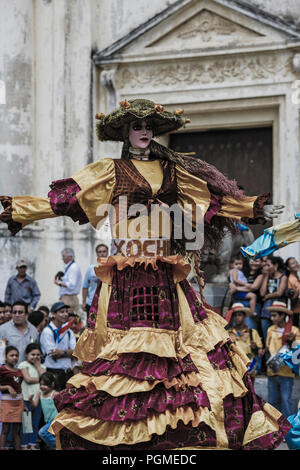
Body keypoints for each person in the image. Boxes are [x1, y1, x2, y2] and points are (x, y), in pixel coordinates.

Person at [0, 98, 290, 450]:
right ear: (125, 131)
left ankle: (184, 434)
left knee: (188, 356)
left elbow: (211, 200)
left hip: (167, 277)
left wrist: (253, 207)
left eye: (148, 126)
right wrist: (19, 210)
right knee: (126, 362)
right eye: (136, 126)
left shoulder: (173, 171)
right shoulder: (110, 170)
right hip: (127, 280)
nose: (143, 132)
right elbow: (66, 200)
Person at [266, 300, 300, 419]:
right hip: (272, 371)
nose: (271, 318)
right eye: (271, 315)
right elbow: (268, 347)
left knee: (286, 401)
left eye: (274, 315)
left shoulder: (294, 330)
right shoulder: (270, 329)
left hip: (286, 372)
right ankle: (274, 430)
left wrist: (293, 340)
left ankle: (287, 431)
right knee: (272, 401)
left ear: (282, 316)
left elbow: (297, 352)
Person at [39, 302, 76, 391]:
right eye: (62, 312)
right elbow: (53, 354)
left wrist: (62, 352)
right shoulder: (48, 331)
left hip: (67, 373)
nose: (65, 314)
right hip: (53, 373)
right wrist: (68, 352)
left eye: (66, 312)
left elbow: (76, 352)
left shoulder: (68, 331)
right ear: (53, 314)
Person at [226, 302, 264, 383]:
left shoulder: (252, 332)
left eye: (239, 315)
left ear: (244, 316)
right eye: (235, 315)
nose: (237, 318)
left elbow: (260, 352)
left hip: (249, 370)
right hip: (235, 370)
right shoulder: (227, 333)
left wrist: (255, 348)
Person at [18, 343, 46, 450]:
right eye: (32, 354)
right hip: (26, 399)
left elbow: (46, 380)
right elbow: (28, 379)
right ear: (26, 354)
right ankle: (24, 445)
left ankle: (32, 444)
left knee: (35, 423)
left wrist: (38, 366)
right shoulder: (23, 365)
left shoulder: (42, 367)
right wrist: (42, 379)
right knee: (27, 424)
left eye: (38, 355)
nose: (35, 357)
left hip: (38, 399)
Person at [0, 346, 26, 450]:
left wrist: (24, 404)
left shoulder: (20, 371)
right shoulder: (2, 369)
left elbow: (20, 389)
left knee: (17, 430)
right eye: (11, 355)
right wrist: (7, 387)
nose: (14, 357)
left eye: (16, 355)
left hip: (19, 402)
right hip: (7, 402)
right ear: (5, 357)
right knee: (5, 429)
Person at [0, 301, 39, 365]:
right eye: (14, 312)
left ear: (26, 315)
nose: (17, 315)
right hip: (10, 371)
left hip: (29, 370)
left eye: (20, 312)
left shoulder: (33, 330)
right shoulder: (3, 329)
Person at [260, 256, 288, 344]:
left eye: (268, 265)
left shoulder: (283, 277)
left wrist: (268, 296)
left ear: (275, 265)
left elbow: (279, 293)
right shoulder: (267, 277)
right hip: (266, 311)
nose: (266, 267)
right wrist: (266, 276)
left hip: (278, 310)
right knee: (267, 338)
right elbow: (262, 293)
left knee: (278, 337)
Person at [28, 372, 58, 450]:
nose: (42, 387)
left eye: (45, 385)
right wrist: (30, 400)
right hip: (48, 421)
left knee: (42, 432)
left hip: (56, 419)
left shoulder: (54, 394)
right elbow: (34, 405)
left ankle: (58, 446)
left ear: (52, 384)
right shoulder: (40, 394)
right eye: (40, 384)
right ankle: (58, 446)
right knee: (52, 435)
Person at [54, 248, 82, 322]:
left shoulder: (73, 267)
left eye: (63, 256)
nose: (62, 258)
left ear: (70, 256)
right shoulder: (70, 267)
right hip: (67, 297)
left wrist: (59, 283)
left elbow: (71, 285)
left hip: (69, 298)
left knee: (69, 321)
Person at [82, 243, 108, 315]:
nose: (102, 254)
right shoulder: (91, 269)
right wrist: (84, 302)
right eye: (99, 252)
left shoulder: (111, 268)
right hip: (91, 302)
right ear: (97, 254)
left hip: (107, 303)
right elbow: (85, 286)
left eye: (104, 251)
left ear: (107, 253)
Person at [285, 257, 300, 328]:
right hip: (296, 312)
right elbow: (292, 299)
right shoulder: (290, 279)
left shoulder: (297, 278)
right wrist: (298, 290)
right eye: (293, 263)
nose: (296, 264)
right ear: (288, 268)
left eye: (296, 262)